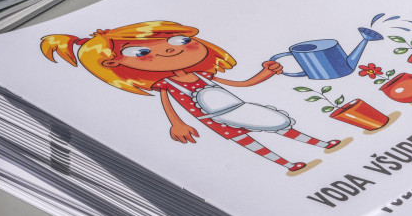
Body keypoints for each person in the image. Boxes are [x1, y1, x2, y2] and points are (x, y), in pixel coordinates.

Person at [40, 20, 339, 175]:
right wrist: (177, 124)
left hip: (239, 106)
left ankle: (321, 144)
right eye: (141, 52)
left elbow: (241, 83)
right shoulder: (165, 84)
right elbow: (169, 106)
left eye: (180, 40)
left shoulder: (203, 74)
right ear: (113, 63)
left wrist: (265, 73)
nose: (171, 49)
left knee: (276, 123)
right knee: (247, 141)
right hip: (213, 117)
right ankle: (287, 164)